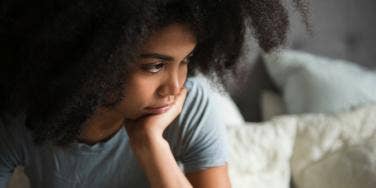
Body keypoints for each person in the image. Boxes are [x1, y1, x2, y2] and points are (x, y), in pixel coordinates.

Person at [0, 0, 309, 187]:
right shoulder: (24, 118)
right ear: (95, 60)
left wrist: (150, 146)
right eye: (154, 66)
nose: (175, 86)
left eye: (185, 61)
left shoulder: (192, 102)